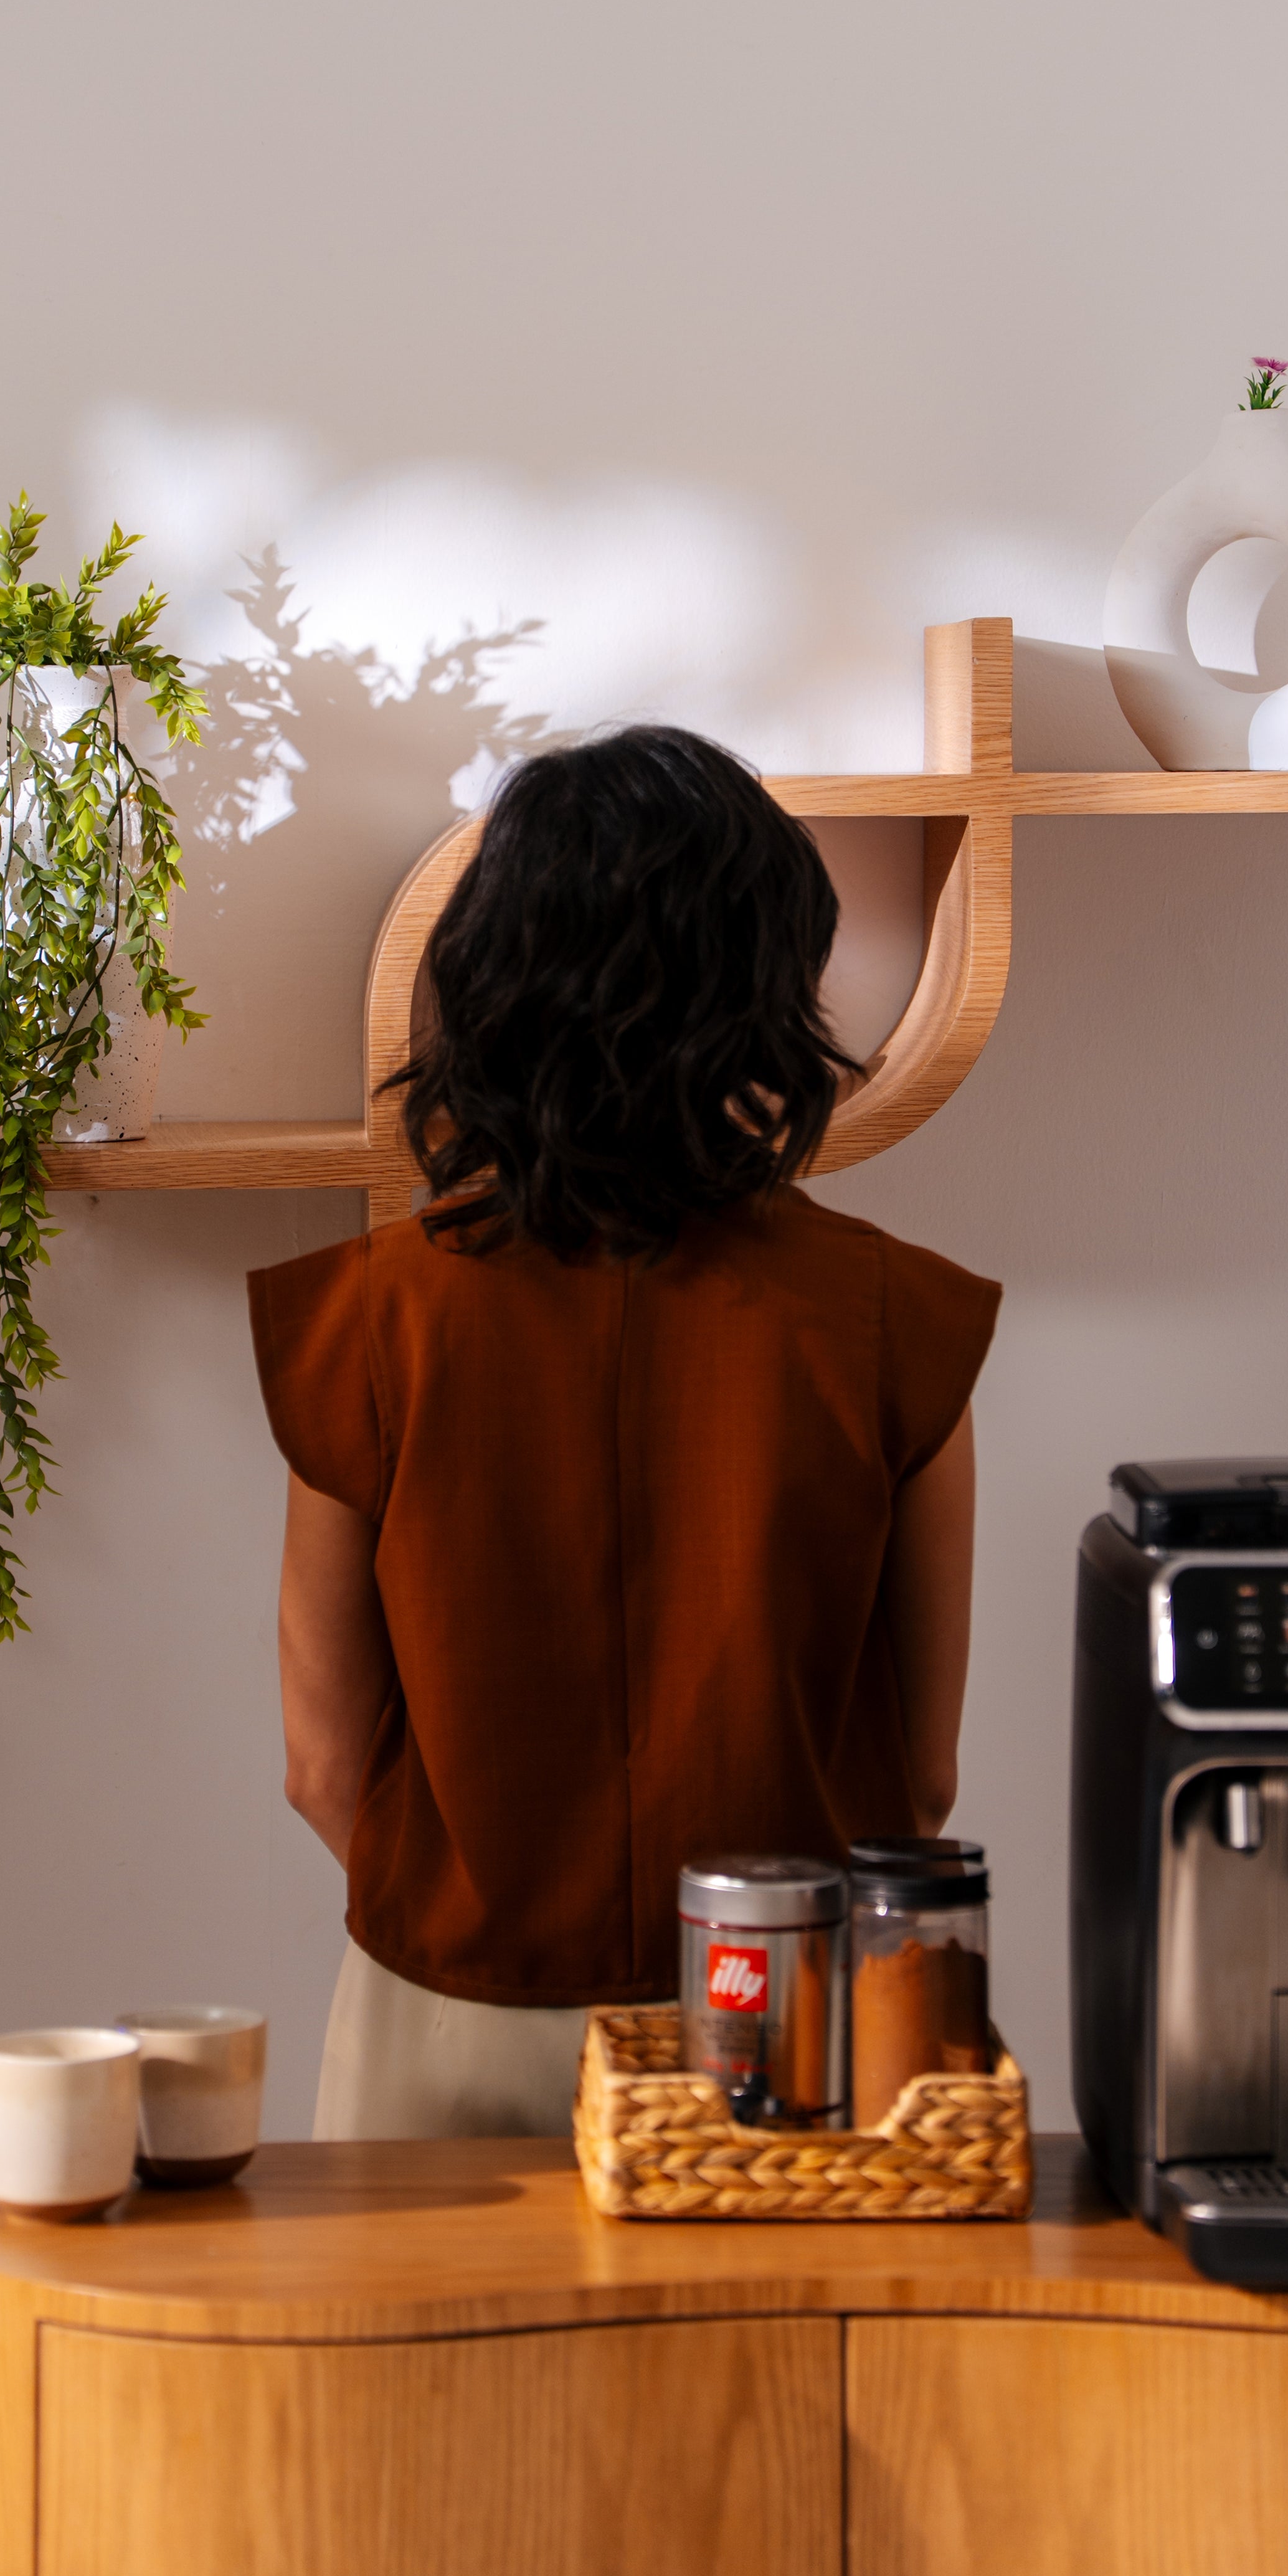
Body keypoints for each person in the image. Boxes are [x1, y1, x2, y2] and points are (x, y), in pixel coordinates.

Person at [249, 724, 1000, 2139]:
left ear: (489, 977)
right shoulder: (898, 1319)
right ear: (769, 985)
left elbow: (322, 1761)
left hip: (446, 2015)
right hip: (784, 2015)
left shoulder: (369, 1320)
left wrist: (488, 1931)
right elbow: (919, 1768)